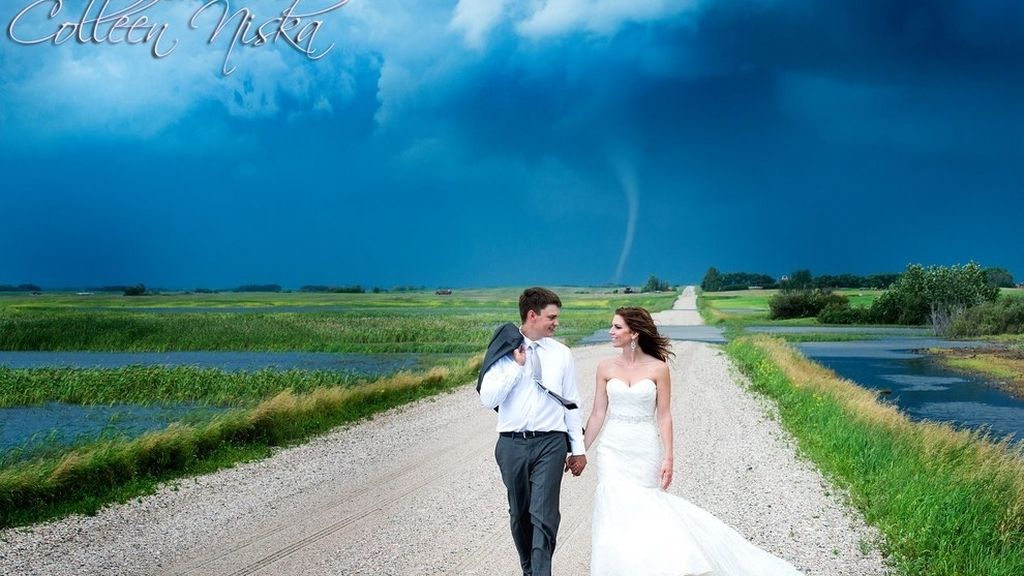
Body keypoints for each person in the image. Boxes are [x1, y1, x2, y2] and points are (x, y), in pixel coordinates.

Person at [584, 307, 805, 576]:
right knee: (612, 506)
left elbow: (664, 416)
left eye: (617, 327)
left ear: (635, 333)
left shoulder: (658, 369)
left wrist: (668, 457)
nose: (611, 331)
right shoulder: (605, 367)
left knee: (645, 508)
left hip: (644, 447)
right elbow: (597, 413)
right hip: (612, 448)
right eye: (612, 326)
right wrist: (578, 449)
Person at [479, 287, 587, 576]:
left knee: (544, 516)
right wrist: (516, 368)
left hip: (551, 444)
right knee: (519, 515)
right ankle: (529, 570)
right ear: (532, 315)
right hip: (511, 444)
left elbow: (571, 402)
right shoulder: (504, 352)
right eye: (551, 317)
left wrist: (578, 449)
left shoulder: (562, 354)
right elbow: (488, 399)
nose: (556, 322)